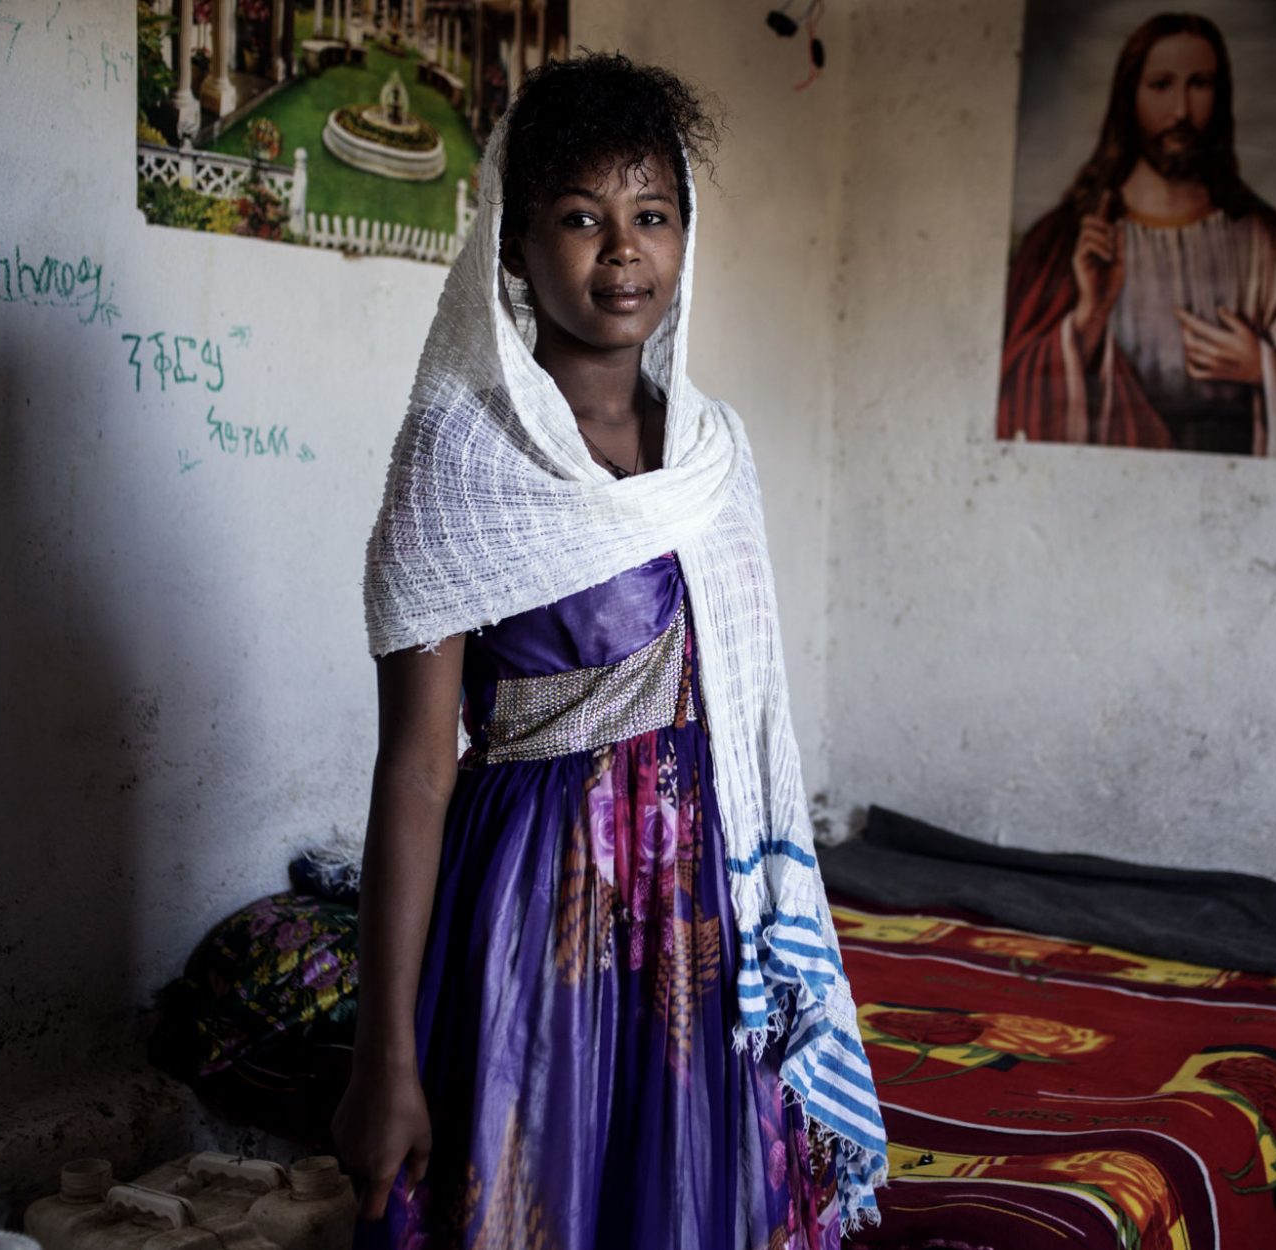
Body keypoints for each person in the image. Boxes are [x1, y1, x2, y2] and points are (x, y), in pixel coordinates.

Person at [338, 54, 886, 1249]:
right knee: (542, 1184)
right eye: (581, 218)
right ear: (517, 247)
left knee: (684, 1192)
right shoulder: (463, 455)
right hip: (535, 901)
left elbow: (739, 716)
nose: (620, 251)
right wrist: (383, 1055)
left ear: (685, 239)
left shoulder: (711, 455)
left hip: (702, 908)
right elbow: (418, 768)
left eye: (651, 217)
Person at [998, 12, 1276, 458]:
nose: (1181, 110)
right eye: (1161, 85)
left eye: (1200, 83)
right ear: (1129, 97)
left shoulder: (1261, 237)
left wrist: (1263, 368)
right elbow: (1012, 391)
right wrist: (1089, 316)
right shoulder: (1067, 239)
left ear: (1220, 96)